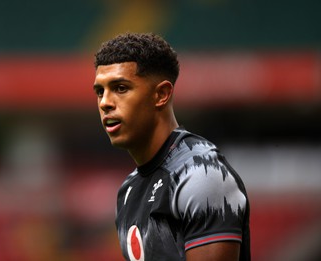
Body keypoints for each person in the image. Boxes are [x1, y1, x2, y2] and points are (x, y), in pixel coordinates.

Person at [93, 32, 250, 261]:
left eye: (120, 88)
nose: (105, 102)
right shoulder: (128, 192)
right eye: (100, 91)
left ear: (161, 94)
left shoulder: (201, 174)